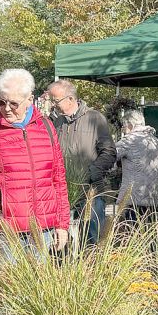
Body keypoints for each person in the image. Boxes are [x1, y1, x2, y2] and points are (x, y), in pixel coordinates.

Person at [0, 68, 70, 260]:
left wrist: (62, 223)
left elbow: (58, 179)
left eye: (13, 103)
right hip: (4, 232)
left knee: (40, 279)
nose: (6, 108)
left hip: (42, 230)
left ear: (29, 100)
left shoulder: (47, 128)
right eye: (1, 102)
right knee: (6, 279)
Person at [47, 79, 116, 244]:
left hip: (89, 191)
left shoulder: (95, 118)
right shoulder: (58, 122)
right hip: (63, 192)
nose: (53, 105)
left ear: (70, 99)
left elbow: (109, 152)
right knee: (62, 241)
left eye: (56, 101)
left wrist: (92, 173)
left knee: (92, 239)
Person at [94, 109, 158, 221]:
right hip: (153, 200)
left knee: (130, 229)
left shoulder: (128, 141)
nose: (124, 130)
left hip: (132, 200)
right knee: (149, 229)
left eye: (124, 127)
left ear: (130, 125)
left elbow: (108, 157)